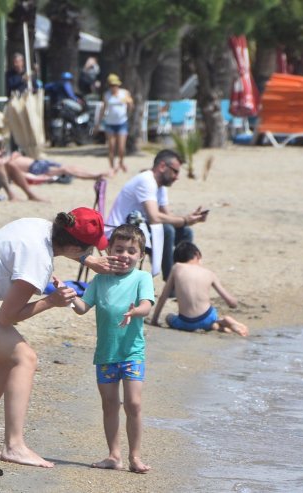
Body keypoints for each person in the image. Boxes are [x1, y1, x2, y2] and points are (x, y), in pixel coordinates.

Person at [0, 207, 109, 468]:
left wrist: (88, 261)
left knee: (6, 362)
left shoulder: (42, 226)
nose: (92, 254)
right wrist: (51, 301)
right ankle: (14, 446)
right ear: (74, 247)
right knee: (24, 358)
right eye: (90, 249)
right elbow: (7, 316)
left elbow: (65, 244)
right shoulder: (37, 260)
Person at [71, 224, 154, 473]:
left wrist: (135, 311)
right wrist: (66, 296)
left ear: (141, 256)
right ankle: (114, 455)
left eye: (131, 251)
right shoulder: (99, 279)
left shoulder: (142, 278)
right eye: (119, 249)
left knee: (133, 404)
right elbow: (83, 308)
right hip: (106, 353)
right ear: (108, 251)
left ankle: (135, 457)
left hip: (132, 352)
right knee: (109, 404)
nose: (125, 255)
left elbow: (147, 306)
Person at [104, 149, 208, 281]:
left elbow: (166, 215)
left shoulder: (161, 186)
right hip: (119, 230)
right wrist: (184, 220)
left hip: (137, 227)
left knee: (185, 232)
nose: (177, 177)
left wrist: (190, 218)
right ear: (163, 166)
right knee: (167, 230)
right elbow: (154, 217)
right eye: (175, 171)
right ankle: (172, 282)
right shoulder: (146, 180)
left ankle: (184, 278)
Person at [150, 242, 249, 336]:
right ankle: (222, 323)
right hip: (207, 318)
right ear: (197, 255)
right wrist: (234, 303)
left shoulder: (177, 267)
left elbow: (163, 296)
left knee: (169, 317)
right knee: (211, 322)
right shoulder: (209, 273)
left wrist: (154, 320)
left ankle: (220, 325)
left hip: (186, 323)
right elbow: (231, 302)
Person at [95, 74, 134, 175]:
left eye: (115, 85)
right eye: (112, 85)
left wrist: (129, 105)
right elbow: (103, 109)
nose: (114, 87)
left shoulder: (124, 93)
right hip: (110, 123)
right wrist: (98, 123)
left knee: (121, 148)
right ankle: (112, 167)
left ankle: (121, 162)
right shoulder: (107, 95)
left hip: (122, 123)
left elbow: (131, 105)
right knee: (111, 147)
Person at [7, 151, 108, 181]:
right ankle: (93, 176)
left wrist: (13, 156)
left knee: (70, 167)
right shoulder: (5, 164)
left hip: (39, 162)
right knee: (65, 169)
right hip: (35, 168)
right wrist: (38, 178)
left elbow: (17, 153)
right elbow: (19, 173)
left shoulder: (8, 157)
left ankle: (93, 174)